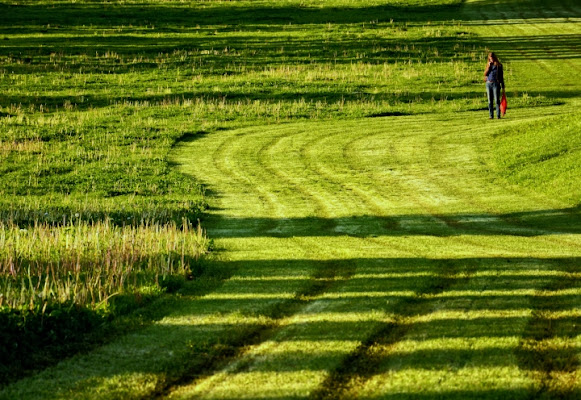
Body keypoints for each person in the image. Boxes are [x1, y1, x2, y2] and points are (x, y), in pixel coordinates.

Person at [483, 52, 505, 119]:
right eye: (490, 59)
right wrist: (488, 67)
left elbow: (501, 76)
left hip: (496, 83)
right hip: (488, 83)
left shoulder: (499, 66)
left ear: (494, 58)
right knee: (490, 100)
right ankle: (491, 115)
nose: (491, 60)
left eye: (492, 59)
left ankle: (498, 115)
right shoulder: (488, 65)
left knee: (496, 100)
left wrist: (503, 86)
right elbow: (485, 74)